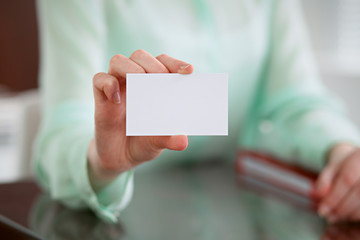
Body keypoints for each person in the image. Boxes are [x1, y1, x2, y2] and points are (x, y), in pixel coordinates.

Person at [34, 0, 360, 223]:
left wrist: (343, 151)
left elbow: (294, 98)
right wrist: (103, 162)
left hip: (237, 212)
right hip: (120, 216)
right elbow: (65, 125)